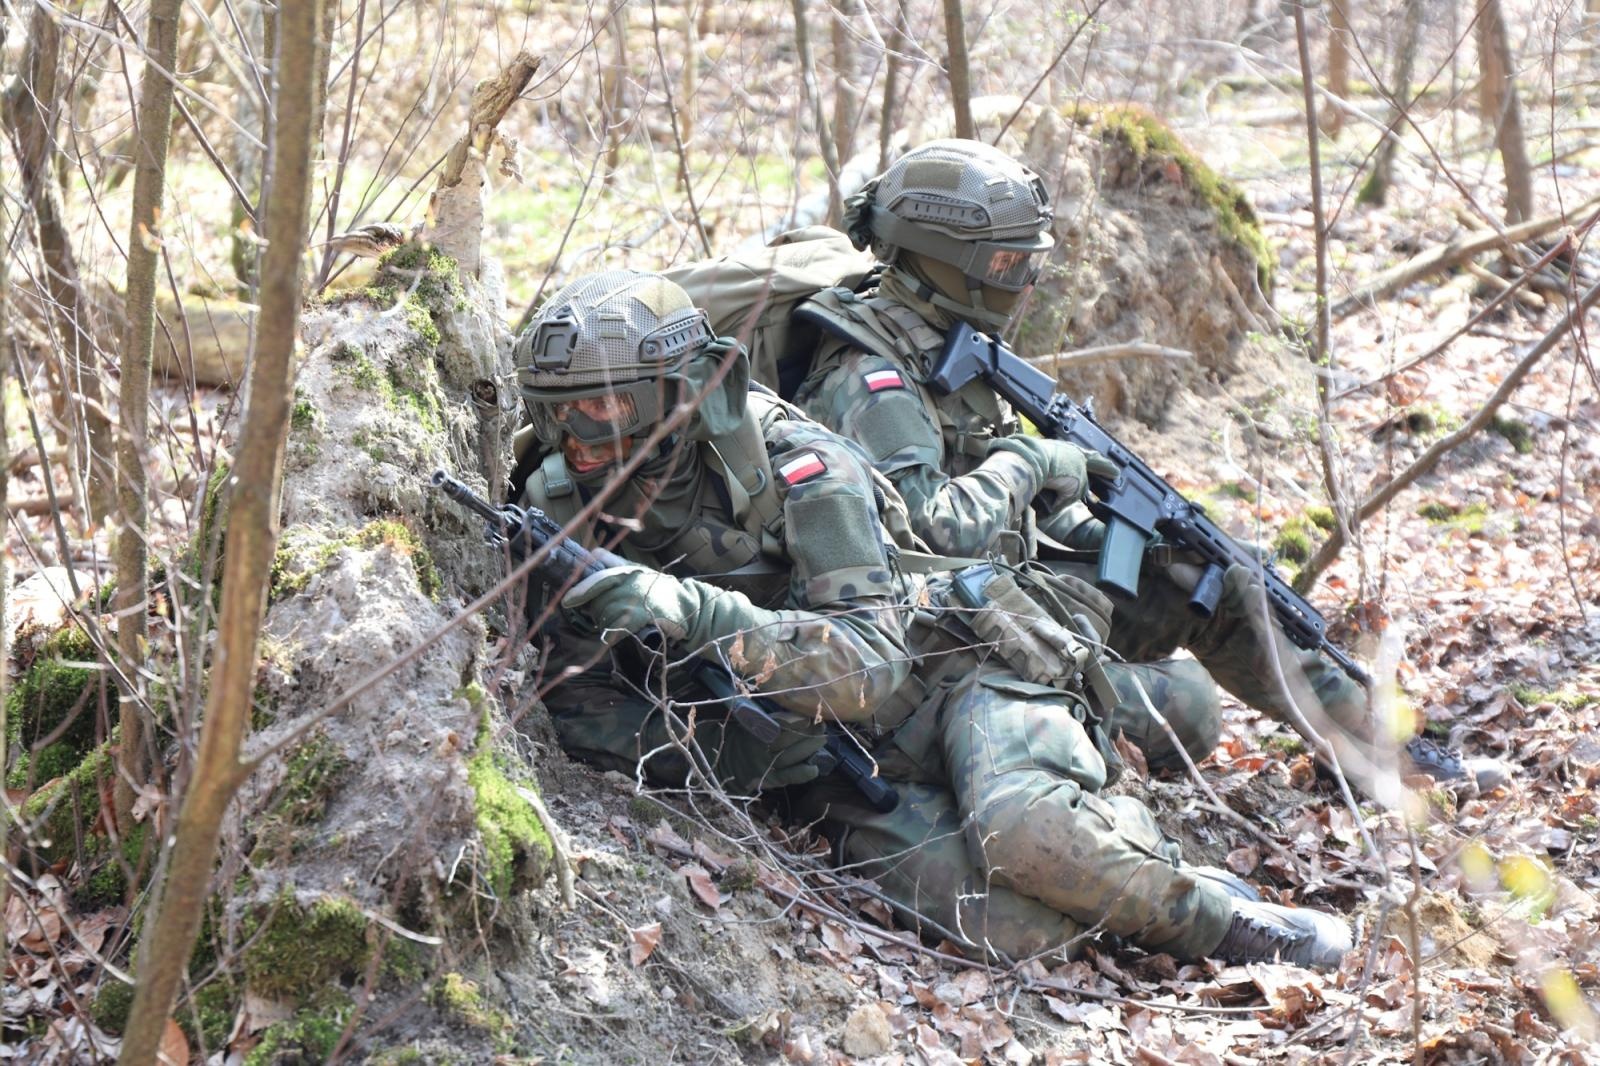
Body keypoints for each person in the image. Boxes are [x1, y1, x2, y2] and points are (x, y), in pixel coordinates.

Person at [506, 267, 1351, 968]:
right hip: (826, 763)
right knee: (1026, 933)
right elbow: (584, 714)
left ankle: (1224, 916)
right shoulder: (560, 507)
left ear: (688, 391)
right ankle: (1119, 837)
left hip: (952, 671)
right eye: (556, 409)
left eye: (606, 409)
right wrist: (749, 751)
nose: (576, 439)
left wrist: (683, 612)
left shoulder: (803, 469)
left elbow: (870, 664)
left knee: (1026, 831)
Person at [786, 138, 1509, 795]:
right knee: (1190, 711)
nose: (1028, 281)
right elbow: (928, 539)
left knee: (1216, 577)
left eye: (1030, 261)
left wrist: (1110, 526)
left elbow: (1012, 497)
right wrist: (1034, 459)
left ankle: (1384, 749)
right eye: (1010, 265)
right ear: (944, 261)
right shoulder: (871, 381)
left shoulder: (947, 340)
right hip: (939, 637)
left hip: (1007, 586)